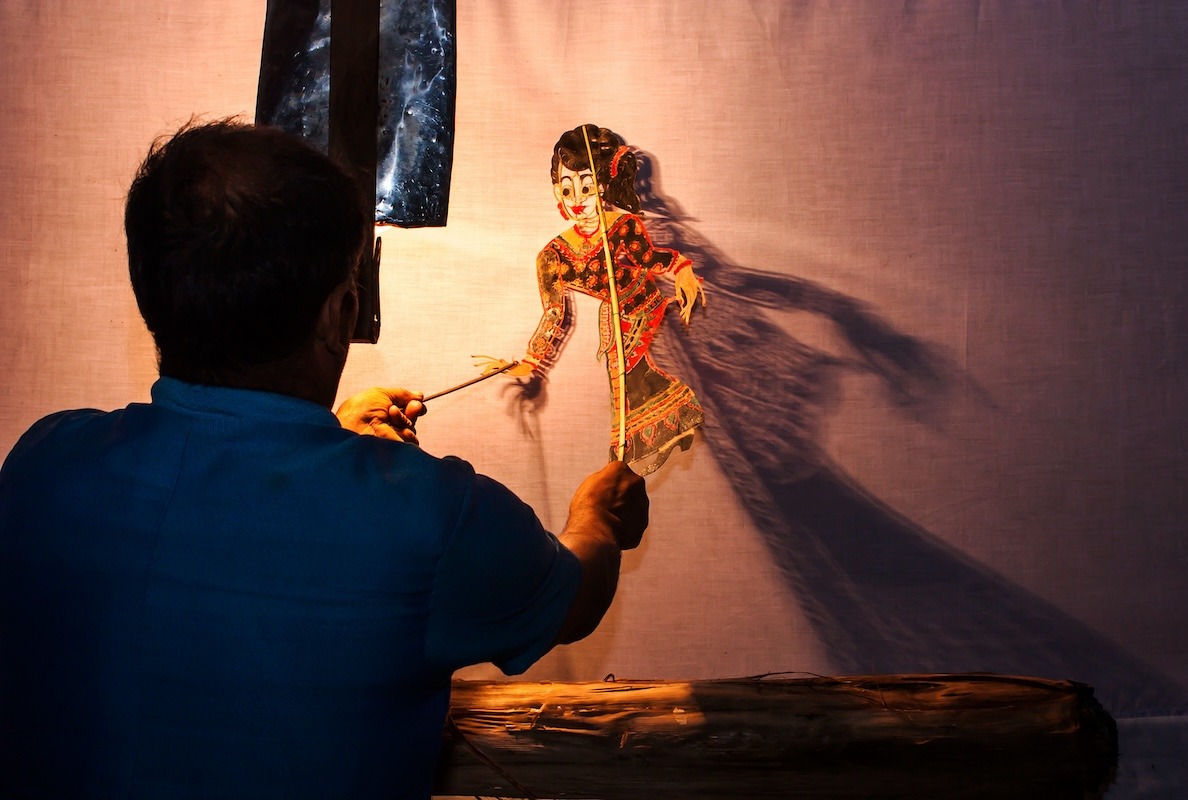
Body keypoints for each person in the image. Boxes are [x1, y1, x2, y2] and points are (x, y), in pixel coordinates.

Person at [0, 120, 649, 799]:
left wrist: (334, 441)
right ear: (340, 313)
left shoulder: (44, 466)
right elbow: (573, 597)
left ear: (150, 296)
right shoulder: (432, 518)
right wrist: (596, 517)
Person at [486, 124, 707, 474]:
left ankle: (665, 426)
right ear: (556, 190)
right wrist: (530, 363)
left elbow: (649, 259)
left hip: (642, 302)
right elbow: (554, 313)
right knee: (621, 374)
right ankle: (667, 426)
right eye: (567, 188)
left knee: (626, 374)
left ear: (602, 186)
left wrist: (681, 267)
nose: (577, 200)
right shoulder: (553, 255)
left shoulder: (623, 225)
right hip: (614, 314)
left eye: (586, 187)